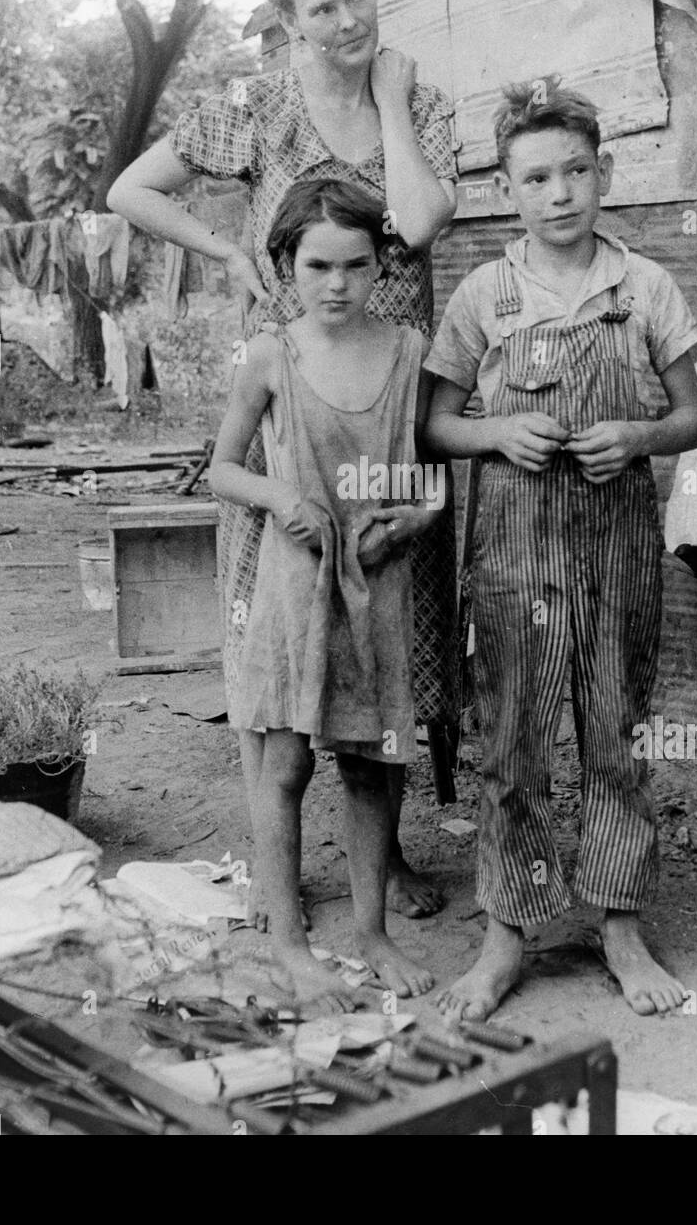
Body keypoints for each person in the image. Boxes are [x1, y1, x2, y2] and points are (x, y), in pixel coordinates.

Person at [107, 0, 458, 922]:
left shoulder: (419, 102)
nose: (347, 21)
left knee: (390, 628)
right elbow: (129, 188)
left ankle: (378, 865)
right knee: (282, 626)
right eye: (322, 9)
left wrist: (383, 97)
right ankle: (278, 871)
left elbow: (423, 222)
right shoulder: (254, 107)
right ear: (287, 21)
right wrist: (223, 252)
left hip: (391, 404)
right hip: (288, 408)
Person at [425, 79, 697, 1019]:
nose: (561, 193)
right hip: (512, 554)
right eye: (538, 176)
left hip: (618, 546)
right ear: (509, 188)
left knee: (613, 736)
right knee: (511, 744)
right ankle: (506, 937)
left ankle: (620, 926)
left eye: (577, 171)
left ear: (604, 174)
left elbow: (692, 419)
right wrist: (497, 433)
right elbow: (435, 426)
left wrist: (636, 437)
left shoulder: (646, 287)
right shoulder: (484, 294)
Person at [208, 179, 443, 1011]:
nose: (336, 283)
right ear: (284, 266)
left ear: (381, 263)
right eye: (317, 266)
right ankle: (291, 945)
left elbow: (435, 475)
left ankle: (373, 934)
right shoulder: (272, 356)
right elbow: (223, 467)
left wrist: (412, 514)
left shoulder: (410, 350)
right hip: (293, 586)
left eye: (355, 265)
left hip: (377, 585)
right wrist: (280, 498)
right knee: (286, 761)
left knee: (375, 764)